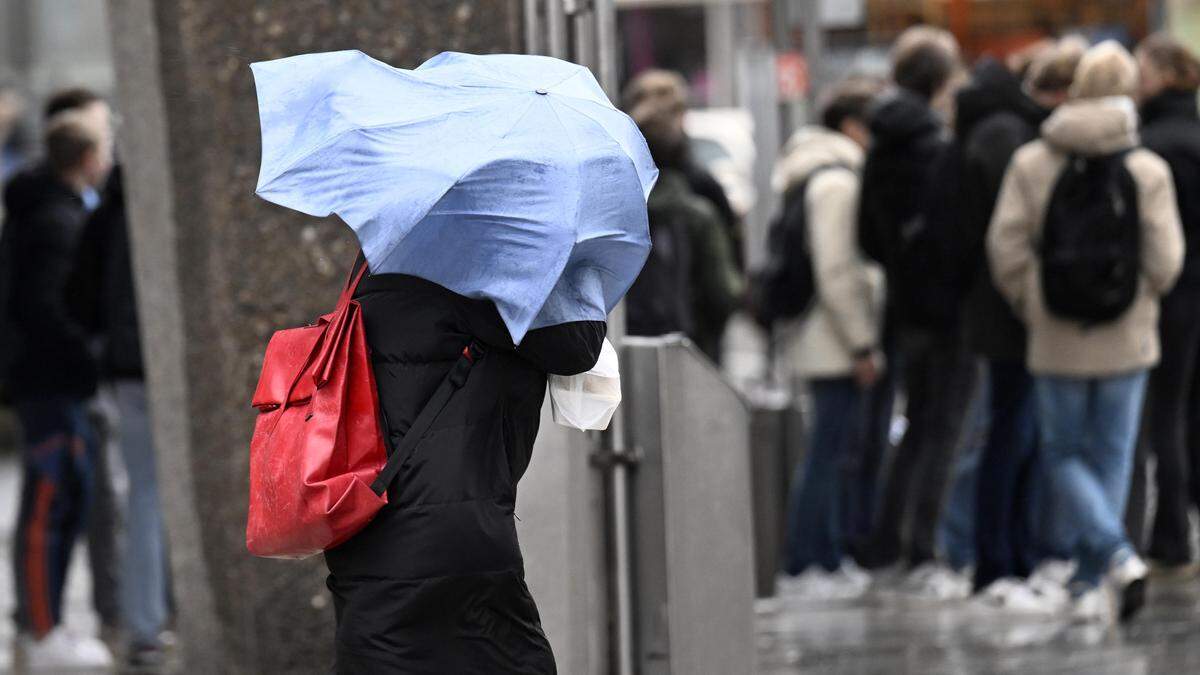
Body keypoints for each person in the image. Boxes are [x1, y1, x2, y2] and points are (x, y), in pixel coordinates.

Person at [323, 260, 605, 672]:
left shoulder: (378, 259)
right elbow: (577, 343)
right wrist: (576, 261)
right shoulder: (492, 266)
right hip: (452, 530)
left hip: (365, 525)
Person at [988, 41, 1184, 623]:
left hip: (1055, 335)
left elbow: (1006, 248)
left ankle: (1090, 574)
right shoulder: (1146, 167)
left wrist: (1034, 301)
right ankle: (1114, 556)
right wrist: (1140, 298)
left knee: (1063, 456)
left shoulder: (1033, 161)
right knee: (1113, 458)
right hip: (1129, 337)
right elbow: (1167, 259)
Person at [953, 39, 1085, 604]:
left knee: (1019, 433)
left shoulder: (998, 127)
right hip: (1006, 313)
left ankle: (1017, 556)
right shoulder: (1007, 135)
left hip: (1001, 308)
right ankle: (997, 563)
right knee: (1010, 434)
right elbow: (1010, 233)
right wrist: (1032, 300)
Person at [857, 27, 975, 596]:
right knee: (943, 427)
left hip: (905, 306)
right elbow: (953, 233)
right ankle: (924, 546)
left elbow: (868, 237)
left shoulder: (880, 141)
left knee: (916, 423)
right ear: (938, 80)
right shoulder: (935, 144)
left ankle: (888, 540)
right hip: (947, 309)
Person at [5, 110, 115, 669]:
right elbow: (50, 309)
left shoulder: (50, 212)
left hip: (52, 382)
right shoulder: (55, 220)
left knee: (62, 502)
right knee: (48, 507)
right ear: (87, 159)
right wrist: (89, 351)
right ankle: (39, 630)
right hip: (51, 383)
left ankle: (44, 627)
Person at [774, 78, 884, 598]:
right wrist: (862, 342)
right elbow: (837, 270)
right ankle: (810, 560)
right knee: (828, 451)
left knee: (829, 448)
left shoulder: (811, 174)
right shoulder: (837, 183)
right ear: (851, 127)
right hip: (832, 338)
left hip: (818, 332)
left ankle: (821, 555)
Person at [67, 166, 171, 669]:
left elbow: (78, 299)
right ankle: (155, 620)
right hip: (152, 368)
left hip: (127, 373)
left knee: (145, 496)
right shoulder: (165, 195)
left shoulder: (105, 212)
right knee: (153, 495)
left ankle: (146, 624)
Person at [1124, 33, 1200, 576]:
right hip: (1193, 292)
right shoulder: (1192, 135)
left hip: (1169, 294)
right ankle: (1177, 526)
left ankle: (1169, 533)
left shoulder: (1153, 144)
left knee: (1160, 416)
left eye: (1143, 69)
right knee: (1183, 412)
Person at [623, 90, 743, 360]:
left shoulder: (615, 211)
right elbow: (722, 291)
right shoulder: (698, 211)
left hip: (627, 340)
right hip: (692, 343)